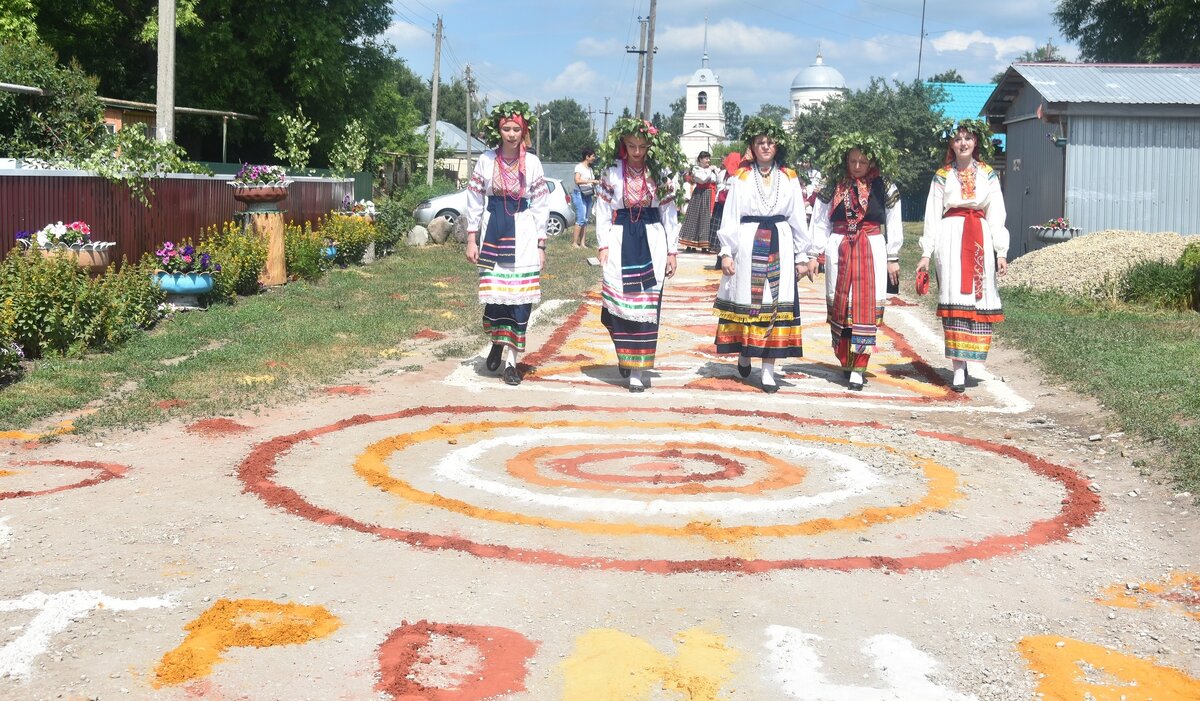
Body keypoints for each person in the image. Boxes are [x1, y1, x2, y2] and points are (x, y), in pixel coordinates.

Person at [713, 117, 815, 393]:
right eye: (760, 143)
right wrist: (726, 252)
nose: (766, 147)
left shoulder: (789, 177)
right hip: (749, 239)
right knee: (751, 301)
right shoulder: (742, 177)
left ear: (777, 145)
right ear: (752, 147)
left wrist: (802, 256)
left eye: (770, 142)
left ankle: (768, 369)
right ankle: (746, 352)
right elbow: (731, 215)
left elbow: (797, 218)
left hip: (779, 240)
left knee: (776, 304)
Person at [917, 119, 1008, 393]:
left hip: (979, 236)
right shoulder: (942, 175)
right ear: (951, 144)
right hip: (951, 237)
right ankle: (958, 368)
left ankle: (968, 359)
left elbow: (997, 213)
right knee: (955, 297)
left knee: (978, 298)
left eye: (968, 138)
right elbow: (932, 215)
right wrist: (926, 253)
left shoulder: (988, 174)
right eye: (958, 139)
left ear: (976, 141)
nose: (963, 143)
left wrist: (1001, 251)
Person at [593, 117, 682, 393]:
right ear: (623, 145)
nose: (636, 152)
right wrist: (603, 244)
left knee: (645, 304)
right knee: (619, 301)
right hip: (621, 238)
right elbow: (604, 210)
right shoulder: (613, 172)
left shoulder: (660, 171)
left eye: (642, 146)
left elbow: (669, 212)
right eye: (631, 145)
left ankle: (637, 371)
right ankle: (625, 353)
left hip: (652, 238)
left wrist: (672, 250)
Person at [464, 101, 549, 386]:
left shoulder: (533, 163)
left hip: (523, 230)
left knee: (521, 300)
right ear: (498, 130)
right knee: (495, 300)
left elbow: (540, 204)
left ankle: (512, 362)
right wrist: (471, 238)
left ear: (523, 131)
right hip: (493, 230)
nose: (511, 134)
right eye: (506, 128)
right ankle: (497, 343)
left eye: (516, 129)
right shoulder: (487, 160)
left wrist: (540, 244)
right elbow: (474, 199)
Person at [809, 133, 903, 392]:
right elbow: (819, 219)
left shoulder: (884, 185)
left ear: (871, 161)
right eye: (853, 161)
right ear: (845, 161)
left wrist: (893, 256)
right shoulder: (834, 184)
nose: (858, 166)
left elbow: (894, 220)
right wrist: (815, 253)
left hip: (870, 246)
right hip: (839, 246)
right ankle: (845, 359)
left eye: (863, 161)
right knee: (841, 305)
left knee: (864, 307)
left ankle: (859, 366)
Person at [678, 151, 720, 252]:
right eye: (706, 158)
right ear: (700, 160)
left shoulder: (711, 170)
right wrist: (709, 170)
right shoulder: (697, 169)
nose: (708, 160)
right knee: (693, 217)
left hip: (708, 194)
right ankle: (690, 244)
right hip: (699, 194)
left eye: (709, 158)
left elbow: (716, 180)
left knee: (706, 219)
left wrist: (715, 171)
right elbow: (702, 179)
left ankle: (704, 245)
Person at [572, 147, 598, 248]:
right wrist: (591, 181)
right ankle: (574, 242)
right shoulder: (579, 167)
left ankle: (582, 243)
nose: (594, 158)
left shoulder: (590, 169)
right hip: (579, 194)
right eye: (592, 156)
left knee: (586, 219)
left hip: (588, 195)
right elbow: (577, 180)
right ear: (587, 157)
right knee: (580, 218)